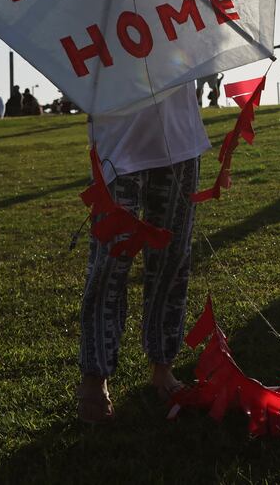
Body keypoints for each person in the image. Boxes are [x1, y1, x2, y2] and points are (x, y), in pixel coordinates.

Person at [78, 82, 208, 423]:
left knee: (172, 256)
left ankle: (162, 365)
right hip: (116, 138)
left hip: (177, 136)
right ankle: (96, 374)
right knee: (110, 259)